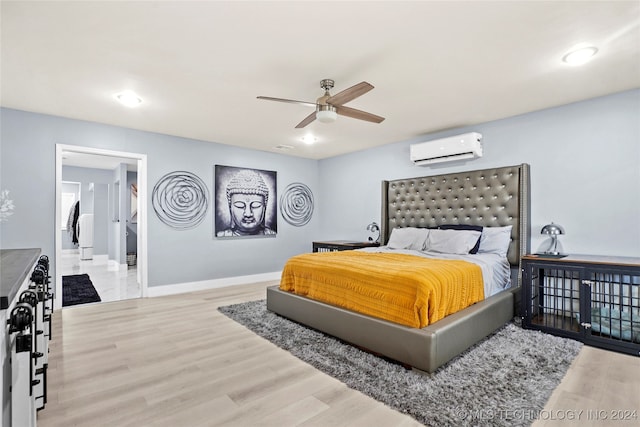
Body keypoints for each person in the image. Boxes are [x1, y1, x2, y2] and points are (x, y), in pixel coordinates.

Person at [216, 169, 275, 237]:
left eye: (256, 205)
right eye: (239, 206)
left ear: (264, 207)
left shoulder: (271, 234)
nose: (248, 214)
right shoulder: (222, 235)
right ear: (230, 207)